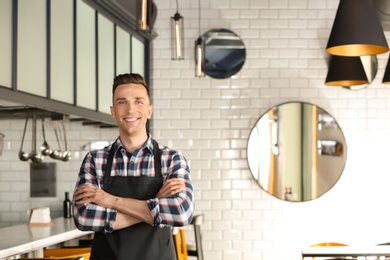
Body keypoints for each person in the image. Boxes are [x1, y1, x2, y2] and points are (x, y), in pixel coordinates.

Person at [72, 73, 194, 260]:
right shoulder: (95, 160)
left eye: (138, 101)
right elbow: (83, 217)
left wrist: (110, 201)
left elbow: (181, 213)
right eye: (122, 102)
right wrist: (156, 201)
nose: (130, 109)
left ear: (149, 110)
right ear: (113, 111)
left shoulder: (171, 159)